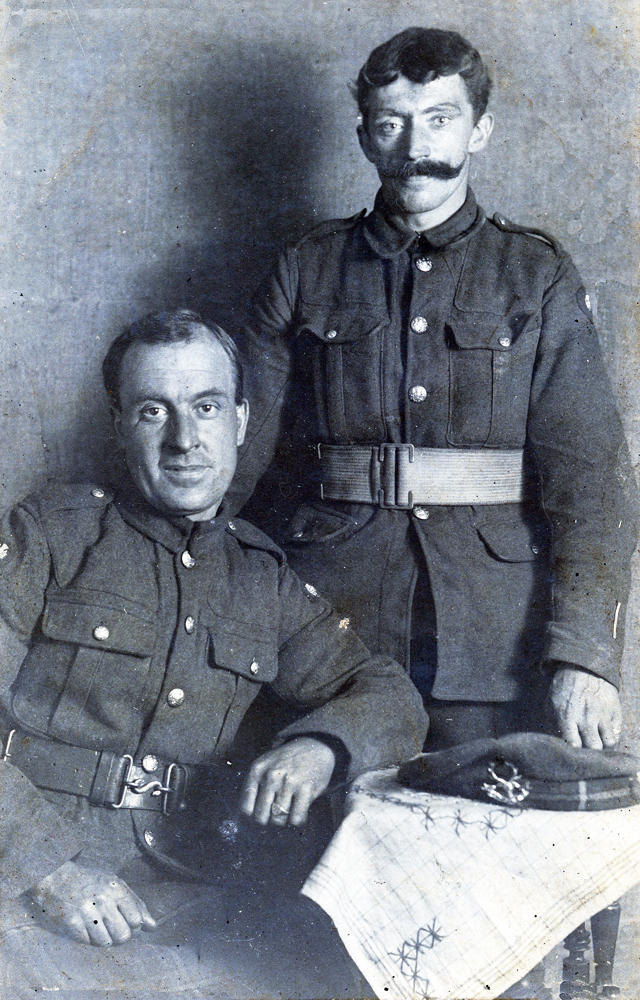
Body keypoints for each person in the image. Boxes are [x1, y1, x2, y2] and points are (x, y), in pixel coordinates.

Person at [234, 27, 639, 753]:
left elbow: (589, 481)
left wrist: (585, 655)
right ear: (365, 137)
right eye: (391, 123)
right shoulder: (307, 268)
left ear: (480, 131)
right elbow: (239, 466)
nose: (415, 145)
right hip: (330, 623)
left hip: (493, 639)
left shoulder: (536, 274)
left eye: (440, 119)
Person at [0, 308, 426, 997]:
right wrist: (45, 868)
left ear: (240, 421)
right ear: (119, 424)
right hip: (28, 887)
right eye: (153, 411)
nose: (184, 440)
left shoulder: (262, 578)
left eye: (206, 407)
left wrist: (321, 746)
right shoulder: (52, 535)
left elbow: (388, 695)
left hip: (187, 891)